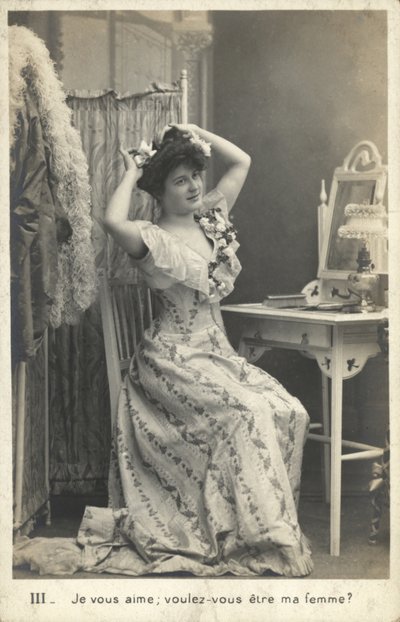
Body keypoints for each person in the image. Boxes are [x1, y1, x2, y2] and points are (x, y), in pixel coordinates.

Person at [13, 124, 313, 577]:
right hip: (171, 361)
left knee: (290, 411)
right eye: (180, 179)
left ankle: (250, 526)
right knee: (249, 412)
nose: (194, 185)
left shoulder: (213, 215)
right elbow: (112, 221)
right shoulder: (150, 237)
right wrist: (133, 171)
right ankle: (254, 536)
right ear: (160, 190)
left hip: (217, 354)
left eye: (196, 174)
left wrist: (197, 133)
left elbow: (243, 162)